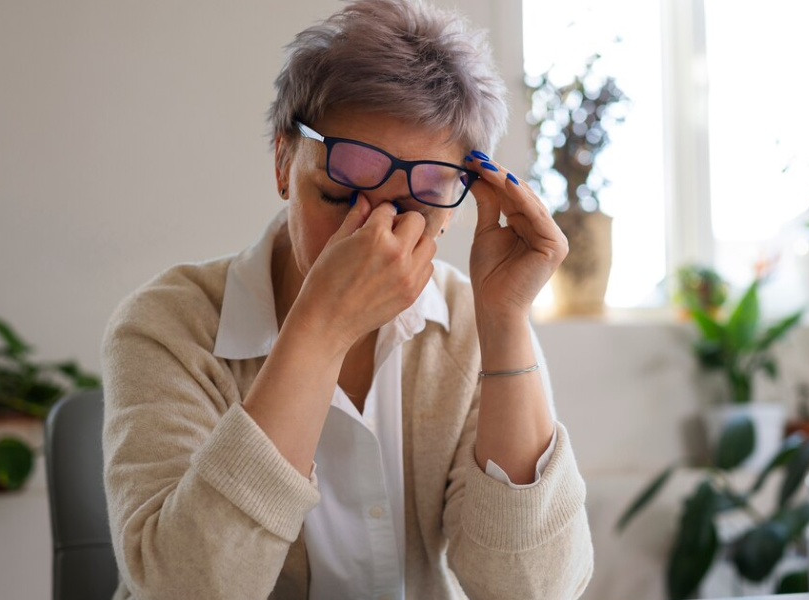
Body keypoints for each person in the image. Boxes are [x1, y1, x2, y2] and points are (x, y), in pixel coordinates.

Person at [100, 1, 594, 598]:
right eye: (338, 194)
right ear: (284, 161)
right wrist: (322, 329)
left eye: (413, 208)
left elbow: (530, 590)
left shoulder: (469, 323)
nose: (370, 241)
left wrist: (505, 320)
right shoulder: (167, 327)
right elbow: (184, 588)